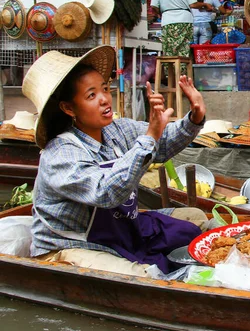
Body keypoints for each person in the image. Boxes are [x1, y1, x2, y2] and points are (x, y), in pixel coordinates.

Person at [22, 45, 209, 277]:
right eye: (91, 95)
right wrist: (149, 137)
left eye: (105, 89)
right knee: (144, 276)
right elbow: (106, 193)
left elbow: (162, 143)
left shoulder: (116, 130)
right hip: (71, 244)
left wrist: (194, 117)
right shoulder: (61, 153)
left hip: (119, 228)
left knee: (196, 219)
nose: (104, 99)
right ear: (69, 108)